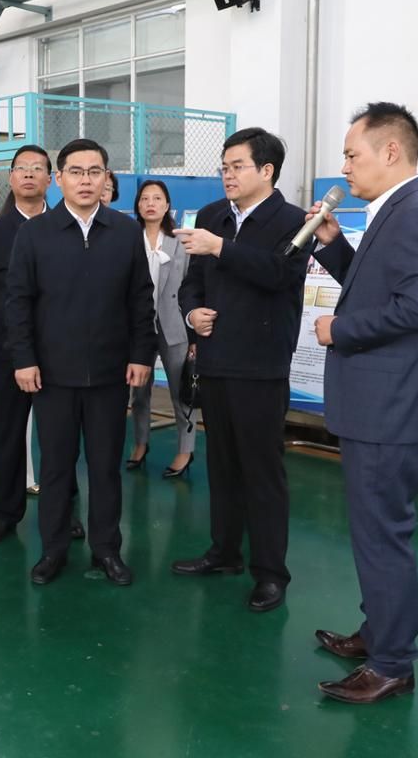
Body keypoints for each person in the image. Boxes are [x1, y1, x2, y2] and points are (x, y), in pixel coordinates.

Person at [307, 102, 418, 704]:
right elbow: (376, 289)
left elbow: (414, 309)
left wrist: (338, 330)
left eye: (352, 154)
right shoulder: (394, 212)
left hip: (391, 409)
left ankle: (393, 663)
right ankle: (378, 633)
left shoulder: (415, 215)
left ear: (390, 151)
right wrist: (333, 246)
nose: (344, 167)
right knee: (372, 531)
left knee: (382, 535)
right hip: (378, 405)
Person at [170, 127, 311, 614]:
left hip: (260, 365)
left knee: (262, 473)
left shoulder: (293, 221)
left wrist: (221, 249)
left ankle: (270, 573)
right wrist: (192, 313)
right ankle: (224, 551)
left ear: (267, 171)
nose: (227, 175)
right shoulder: (213, 216)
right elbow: (191, 282)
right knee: (222, 466)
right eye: (224, 167)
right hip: (215, 361)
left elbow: (280, 274)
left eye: (237, 166)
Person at [5, 138, 156, 585]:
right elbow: (18, 301)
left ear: (107, 179)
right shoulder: (35, 234)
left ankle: (106, 549)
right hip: (52, 375)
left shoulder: (125, 232)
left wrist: (141, 354)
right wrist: (24, 359)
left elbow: (141, 298)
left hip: (110, 374)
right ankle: (53, 550)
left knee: (106, 467)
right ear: (59, 179)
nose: (85, 180)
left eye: (95, 172)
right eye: (76, 171)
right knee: (56, 467)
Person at [0, 148, 52, 538]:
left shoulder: (64, 227)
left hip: (59, 352)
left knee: (58, 437)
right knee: (7, 432)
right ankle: (4, 513)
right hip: (9, 352)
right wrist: (14, 337)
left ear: (50, 179)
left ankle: (62, 511)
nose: (29, 174)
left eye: (37, 169)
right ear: (11, 178)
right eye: (22, 168)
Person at [127, 180, 195, 477]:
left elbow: (192, 287)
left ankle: (185, 450)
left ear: (167, 205)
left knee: (181, 392)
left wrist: (193, 335)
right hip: (139, 328)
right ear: (138, 206)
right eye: (145, 198)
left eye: (157, 198)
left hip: (174, 326)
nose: (150, 203)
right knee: (139, 392)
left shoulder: (181, 241)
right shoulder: (129, 239)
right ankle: (141, 443)